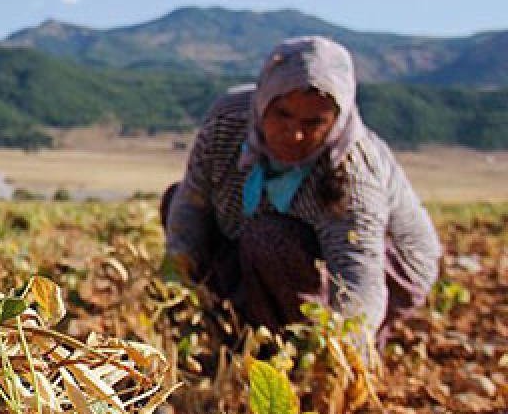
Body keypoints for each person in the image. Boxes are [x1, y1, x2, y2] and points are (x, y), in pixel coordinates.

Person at [161, 36, 440, 350]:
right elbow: (191, 205)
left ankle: (290, 346)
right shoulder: (227, 123)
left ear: (337, 120)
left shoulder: (350, 174)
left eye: (314, 122)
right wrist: (178, 290)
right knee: (176, 201)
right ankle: (235, 332)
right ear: (263, 101)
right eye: (282, 114)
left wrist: (341, 348)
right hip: (278, 240)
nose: (294, 134)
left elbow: (358, 275)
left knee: (268, 238)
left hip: (388, 266)